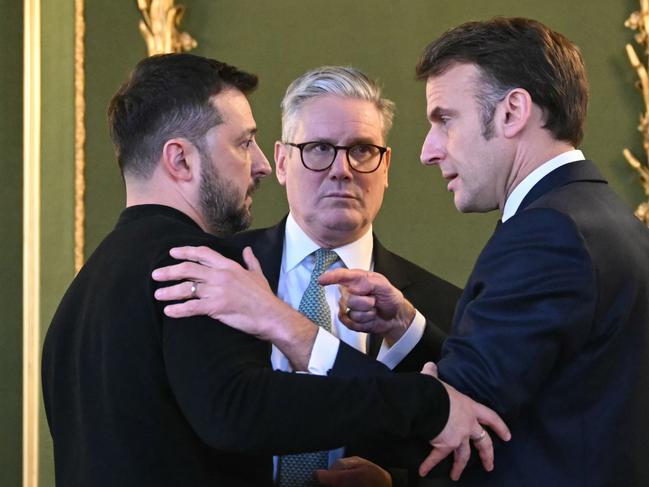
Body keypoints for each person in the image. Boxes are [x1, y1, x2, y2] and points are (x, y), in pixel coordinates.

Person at [42, 53, 508, 487]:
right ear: (181, 159)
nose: (260, 164)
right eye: (244, 143)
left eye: (363, 151)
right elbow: (240, 408)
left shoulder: (79, 294)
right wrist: (426, 403)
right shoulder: (200, 266)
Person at [320, 17, 649, 486]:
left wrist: (287, 328)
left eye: (444, 120)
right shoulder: (607, 219)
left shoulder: (547, 235)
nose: (428, 151)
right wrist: (411, 331)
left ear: (512, 112)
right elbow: (520, 390)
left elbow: (448, 426)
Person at [181, 65, 462, 486]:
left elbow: (470, 451)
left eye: (363, 150)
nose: (342, 169)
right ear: (280, 161)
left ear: (386, 168)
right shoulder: (217, 271)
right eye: (318, 148)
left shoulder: (440, 311)